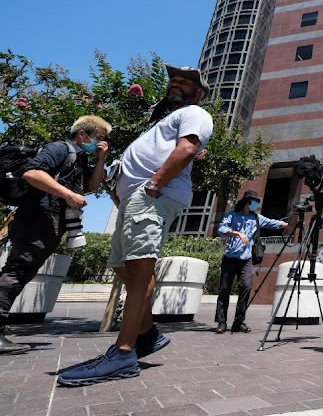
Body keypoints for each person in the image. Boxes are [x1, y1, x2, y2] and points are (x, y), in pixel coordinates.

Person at [58, 65, 214, 386]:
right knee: (125, 269)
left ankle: (124, 352)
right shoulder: (161, 121)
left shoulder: (196, 112)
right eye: (173, 81)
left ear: (198, 93)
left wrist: (154, 183)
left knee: (140, 271)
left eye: (183, 83)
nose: (175, 85)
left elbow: (187, 148)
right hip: (135, 199)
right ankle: (147, 334)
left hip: (153, 196)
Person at [0, 115, 111, 354]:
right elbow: (33, 174)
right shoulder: (61, 149)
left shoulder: (80, 159)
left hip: (48, 222)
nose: (101, 143)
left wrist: (101, 158)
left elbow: (92, 186)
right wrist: (68, 195)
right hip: (36, 218)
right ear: (83, 134)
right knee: (16, 272)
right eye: (98, 138)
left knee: (21, 272)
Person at [215, 189, 287, 334]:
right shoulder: (233, 215)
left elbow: (274, 223)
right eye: (253, 202)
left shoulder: (257, 218)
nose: (255, 205)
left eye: (256, 202)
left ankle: (239, 321)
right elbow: (221, 228)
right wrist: (237, 233)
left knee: (246, 287)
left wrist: (290, 221)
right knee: (224, 289)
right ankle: (221, 322)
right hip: (230, 258)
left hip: (246, 259)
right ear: (246, 202)